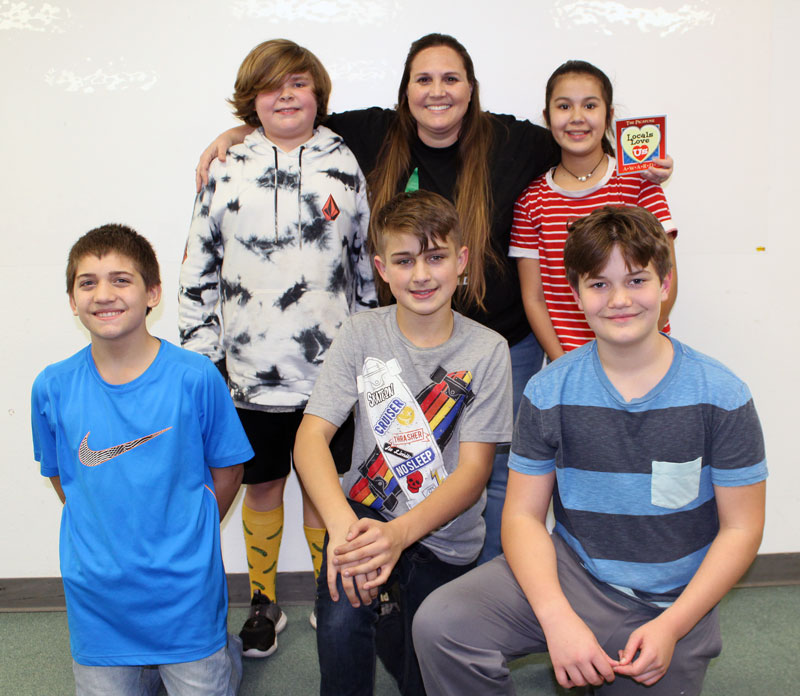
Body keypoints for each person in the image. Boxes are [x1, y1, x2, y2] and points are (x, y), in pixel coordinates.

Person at [195, 33, 674, 562]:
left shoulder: (514, 142)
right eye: (423, 79)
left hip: (499, 347)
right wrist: (240, 132)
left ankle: (482, 594)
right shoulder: (374, 133)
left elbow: (578, 141)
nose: (437, 91)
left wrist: (634, 169)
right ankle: (399, 581)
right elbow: (293, 123)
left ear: (471, 89)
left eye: (451, 78)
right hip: (400, 344)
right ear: (406, 91)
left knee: (494, 475)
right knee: (394, 473)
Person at [413, 206, 767, 696]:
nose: (619, 300)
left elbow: (742, 528)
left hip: (671, 604)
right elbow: (520, 518)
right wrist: (558, 619)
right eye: (599, 284)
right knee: (442, 624)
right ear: (576, 293)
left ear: (665, 285)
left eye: (637, 280)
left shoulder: (721, 395)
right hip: (574, 575)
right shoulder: (549, 390)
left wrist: (671, 626)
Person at [179, 39, 377, 656]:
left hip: (333, 373)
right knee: (261, 488)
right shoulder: (227, 164)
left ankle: (328, 595)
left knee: (326, 490)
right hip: (246, 375)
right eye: (271, 87)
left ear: (317, 93)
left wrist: (374, 351)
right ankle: (264, 602)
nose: (286, 95)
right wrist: (202, 359)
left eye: (298, 83)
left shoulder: (345, 162)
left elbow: (365, 268)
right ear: (252, 101)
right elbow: (197, 268)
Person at [293, 190, 513, 695]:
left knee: (422, 672)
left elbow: (474, 472)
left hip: (447, 537)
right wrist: (344, 530)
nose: (421, 275)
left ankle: (395, 626)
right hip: (364, 520)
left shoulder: (488, 350)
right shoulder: (358, 333)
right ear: (380, 269)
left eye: (436, 258)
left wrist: (400, 537)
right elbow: (310, 439)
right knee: (341, 626)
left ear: (460, 262)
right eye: (404, 260)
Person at [30, 224, 252, 695]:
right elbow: (62, 477)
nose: (103, 293)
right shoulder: (52, 386)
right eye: (87, 282)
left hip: (184, 593)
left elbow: (229, 469)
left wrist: (192, 525)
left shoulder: (196, 378)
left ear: (153, 293)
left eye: (120, 279)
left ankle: (222, 651)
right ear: (72, 300)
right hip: (98, 597)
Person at [510, 60, 678, 360]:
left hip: (644, 359)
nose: (577, 118)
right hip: (572, 365)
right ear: (547, 117)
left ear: (609, 115)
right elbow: (534, 297)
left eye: (589, 106)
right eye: (564, 107)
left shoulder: (640, 183)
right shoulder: (531, 201)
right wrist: (564, 365)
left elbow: (668, 276)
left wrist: (635, 351)